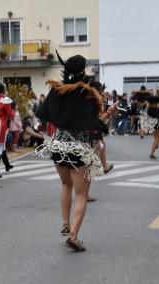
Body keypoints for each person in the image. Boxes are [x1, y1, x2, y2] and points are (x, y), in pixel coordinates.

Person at [36, 52, 103, 251]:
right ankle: (73, 235)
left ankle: (65, 223)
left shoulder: (57, 90)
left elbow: (44, 115)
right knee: (82, 194)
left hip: (58, 144)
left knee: (65, 184)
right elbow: (93, 125)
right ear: (84, 71)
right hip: (79, 147)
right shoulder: (88, 93)